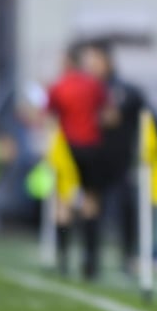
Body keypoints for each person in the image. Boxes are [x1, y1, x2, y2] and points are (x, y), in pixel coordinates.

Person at [80, 43, 146, 275]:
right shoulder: (83, 89)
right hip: (91, 158)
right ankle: (90, 259)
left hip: (119, 160)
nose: (90, 65)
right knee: (90, 206)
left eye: (94, 60)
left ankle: (128, 256)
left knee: (125, 206)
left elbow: (128, 116)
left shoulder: (124, 90)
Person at [47, 44, 108, 280]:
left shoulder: (59, 86)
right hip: (92, 146)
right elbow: (106, 113)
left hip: (68, 148)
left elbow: (49, 116)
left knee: (63, 203)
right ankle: (90, 261)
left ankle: (63, 260)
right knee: (91, 201)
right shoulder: (94, 85)